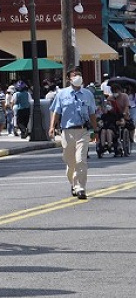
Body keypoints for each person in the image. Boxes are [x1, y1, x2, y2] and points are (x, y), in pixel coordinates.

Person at [48, 68, 98, 199]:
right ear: (69, 79)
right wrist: (52, 126)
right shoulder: (61, 94)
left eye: (79, 75)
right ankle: (73, 183)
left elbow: (92, 113)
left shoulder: (88, 94)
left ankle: (81, 187)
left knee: (81, 160)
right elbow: (56, 111)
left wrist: (95, 130)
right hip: (67, 131)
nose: (78, 77)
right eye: (75, 75)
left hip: (83, 131)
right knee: (70, 163)